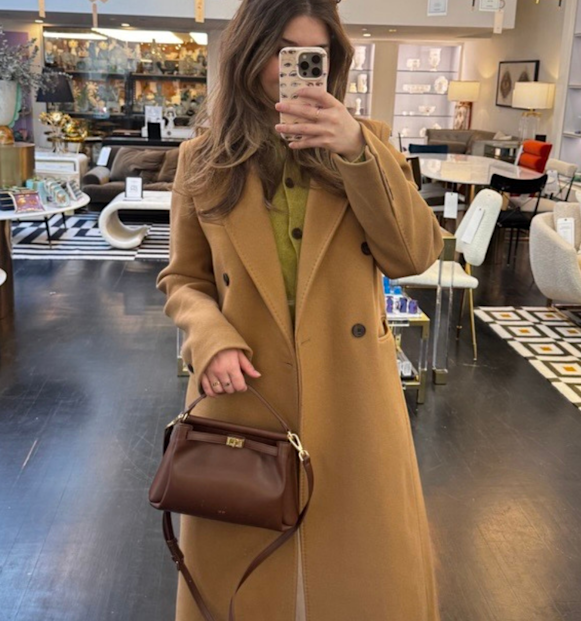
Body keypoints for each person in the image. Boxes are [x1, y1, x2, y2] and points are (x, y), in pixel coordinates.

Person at [155, 0, 443, 619]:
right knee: (243, 579)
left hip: (352, 398)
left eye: (316, 56)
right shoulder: (202, 161)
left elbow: (414, 254)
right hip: (244, 395)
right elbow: (184, 279)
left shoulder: (371, 145)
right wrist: (209, 335)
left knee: (366, 576)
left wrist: (357, 151)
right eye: (284, 51)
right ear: (250, 52)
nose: (298, 68)